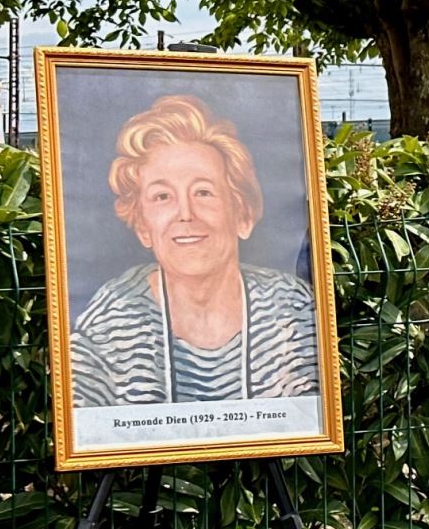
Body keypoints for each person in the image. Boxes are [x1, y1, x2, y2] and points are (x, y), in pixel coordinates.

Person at [71, 94, 319, 407]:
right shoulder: (109, 321)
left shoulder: (292, 306)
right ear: (143, 226)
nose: (185, 214)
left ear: (242, 214)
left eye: (203, 192)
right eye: (162, 197)